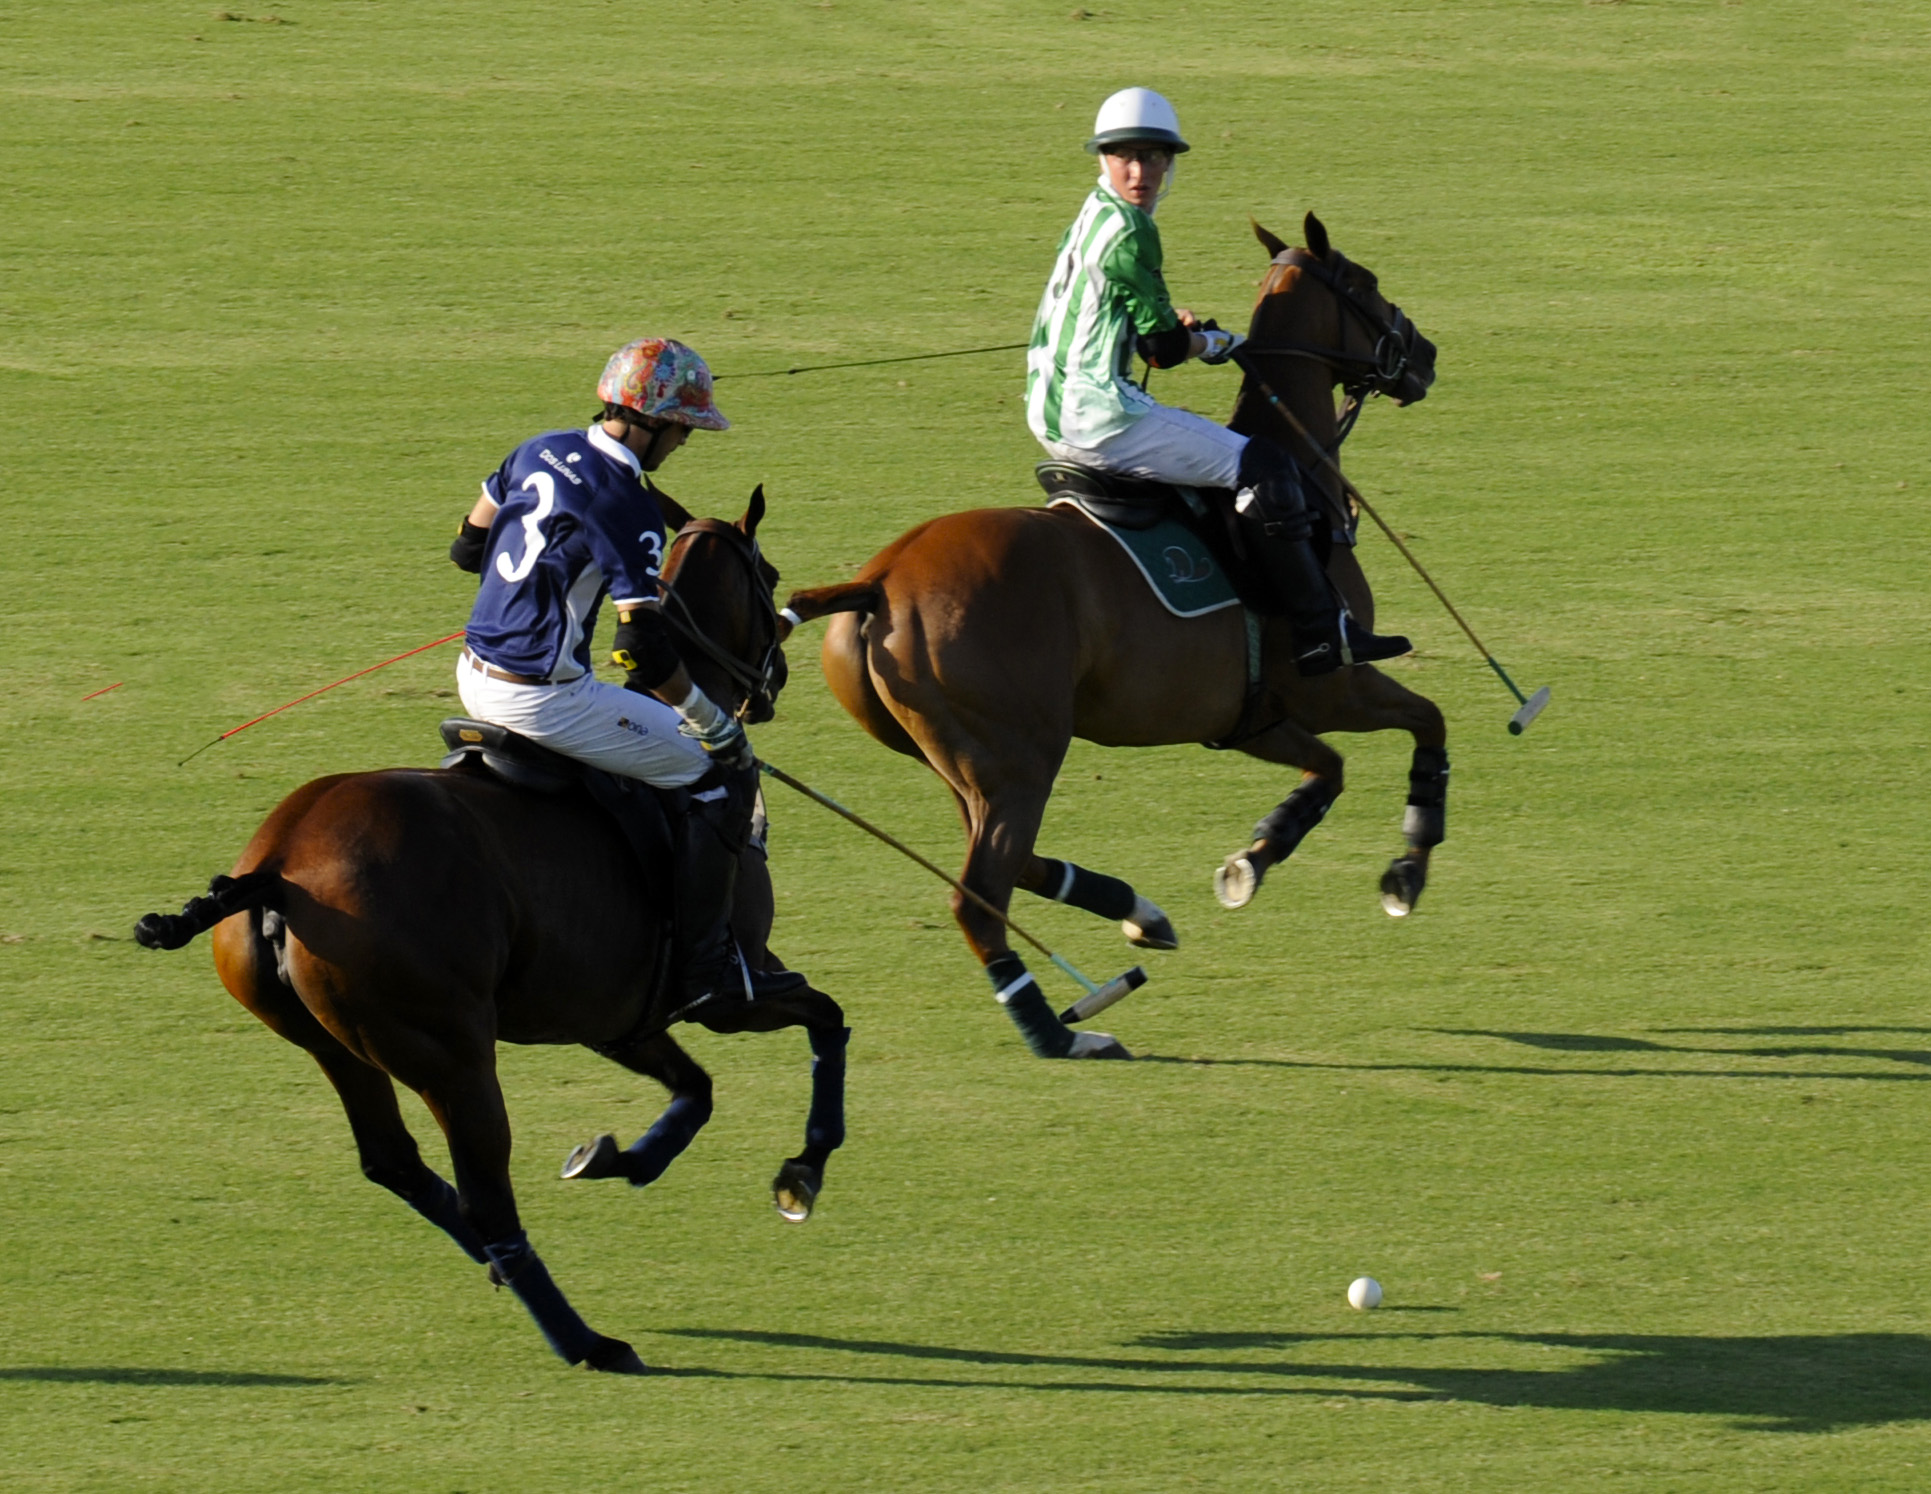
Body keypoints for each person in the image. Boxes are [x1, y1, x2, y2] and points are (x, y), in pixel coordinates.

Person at [449, 337, 805, 1010]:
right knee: (718, 777)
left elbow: (468, 547)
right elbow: (639, 648)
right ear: (648, 423)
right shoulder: (629, 505)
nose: (683, 442)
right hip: (542, 700)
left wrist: (547, 580)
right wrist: (712, 723)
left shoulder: (538, 447)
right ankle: (709, 972)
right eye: (681, 428)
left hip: (471, 672)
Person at [1025, 87, 1409, 676]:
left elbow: (1131, 313)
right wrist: (1213, 344)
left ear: (1169, 162)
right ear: (1103, 157)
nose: (1139, 171)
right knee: (1265, 466)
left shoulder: (1094, 213)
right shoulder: (1132, 229)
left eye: (1153, 157)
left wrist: (1167, 324)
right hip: (1101, 416)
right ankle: (1321, 632)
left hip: (1049, 410)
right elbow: (1163, 349)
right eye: (1124, 156)